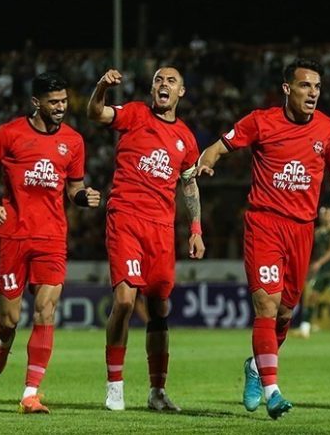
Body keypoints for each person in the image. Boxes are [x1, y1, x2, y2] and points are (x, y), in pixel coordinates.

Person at [196, 58, 330, 419]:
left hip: (302, 230)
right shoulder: (261, 122)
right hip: (264, 223)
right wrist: (207, 162)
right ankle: (273, 391)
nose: (312, 93)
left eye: (317, 87)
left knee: (285, 313)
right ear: (287, 89)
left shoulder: (328, 129)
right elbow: (218, 146)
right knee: (267, 305)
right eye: (304, 85)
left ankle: (255, 366)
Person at [0, 72, 101, 414]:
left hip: (52, 237)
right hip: (13, 236)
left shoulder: (73, 141)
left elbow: (73, 187)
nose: (60, 107)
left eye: (64, 100)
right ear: (36, 103)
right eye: (53, 102)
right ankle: (3, 342)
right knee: (10, 318)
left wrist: (83, 197)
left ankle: (30, 393)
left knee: (46, 310)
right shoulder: (9, 133)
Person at [87, 68, 205, 412]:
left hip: (161, 228)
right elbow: (96, 113)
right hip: (126, 217)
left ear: (181, 92)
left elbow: (189, 185)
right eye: (158, 80)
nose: (163, 84)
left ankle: (157, 391)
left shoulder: (186, 139)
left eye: (171, 81)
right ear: (152, 88)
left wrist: (196, 229)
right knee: (125, 300)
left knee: (158, 309)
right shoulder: (135, 114)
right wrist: (101, 87)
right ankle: (115, 386)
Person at [297, 206, 330, 341]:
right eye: (323, 213)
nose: (324, 216)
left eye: (327, 213)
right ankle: (305, 328)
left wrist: (319, 263)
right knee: (312, 298)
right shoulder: (318, 232)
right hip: (322, 272)